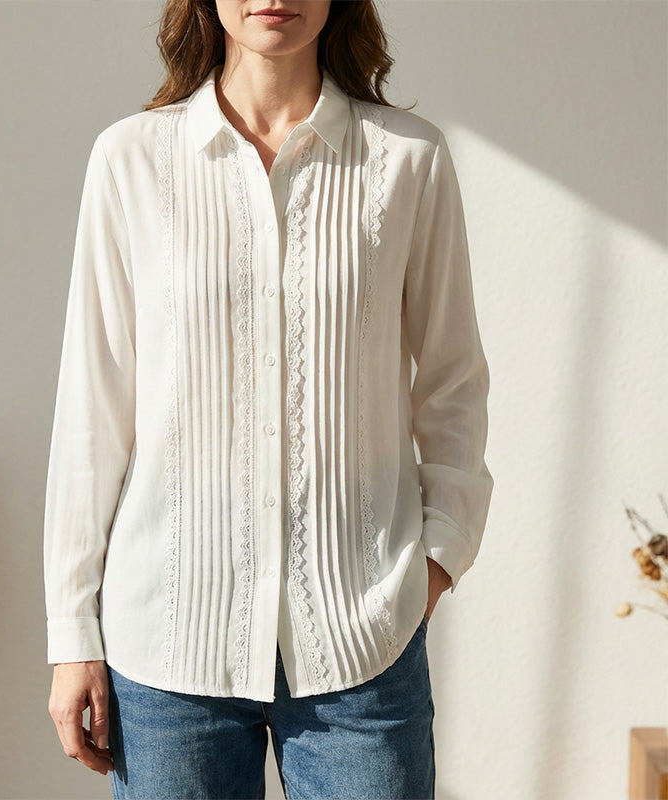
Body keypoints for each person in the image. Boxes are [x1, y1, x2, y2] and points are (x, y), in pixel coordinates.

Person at [44, 0, 493, 797]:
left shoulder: (408, 159)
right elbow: (93, 408)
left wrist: (432, 564)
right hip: (167, 652)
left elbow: (453, 382)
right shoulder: (130, 159)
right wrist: (73, 631)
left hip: (363, 650)